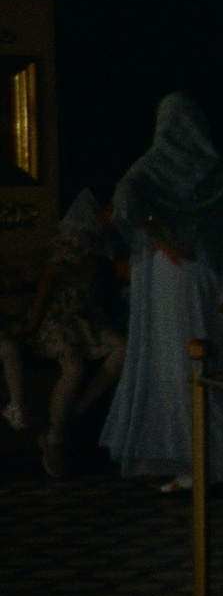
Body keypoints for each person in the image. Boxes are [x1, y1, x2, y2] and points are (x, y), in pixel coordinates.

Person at [101, 95, 223, 488]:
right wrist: (164, 235)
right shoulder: (221, 167)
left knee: (188, 358)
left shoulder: (157, 167)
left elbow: (125, 203)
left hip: (176, 274)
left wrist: (160, 235)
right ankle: (207, 460)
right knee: (205, 355)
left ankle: (209, 461)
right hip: (206, 272)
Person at [0, 189, 126, 477]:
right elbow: (49, 278)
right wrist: (34, 321)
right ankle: (54, 437)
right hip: (58, 317)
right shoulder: (77, 240)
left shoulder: (102, 242)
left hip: (86, 316)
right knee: (73, 367)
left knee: (123, 348)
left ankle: (78, 408)